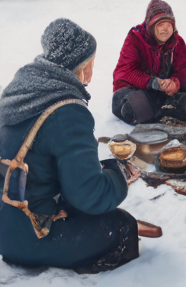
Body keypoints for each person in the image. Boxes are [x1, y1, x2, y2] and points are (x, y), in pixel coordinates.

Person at [0, 19, 139, 273]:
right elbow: (90, 195)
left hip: (5, 223)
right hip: (31, 235)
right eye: (91, 64)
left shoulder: (20, 91)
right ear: (83, 66)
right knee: (122, 225)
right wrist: (118, 174)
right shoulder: (67, 112)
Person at [112, 0, 186, 125]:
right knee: (135, 107)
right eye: (160, 24)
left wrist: (176, 82)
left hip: (167, 87)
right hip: (138, 88)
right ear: (151, 26)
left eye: (169, 25)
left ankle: (171, 106)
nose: (165, 29)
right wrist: (154, 82)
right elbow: (128, 71)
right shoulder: (135, 39)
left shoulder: (177, 41)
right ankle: (168, 110)